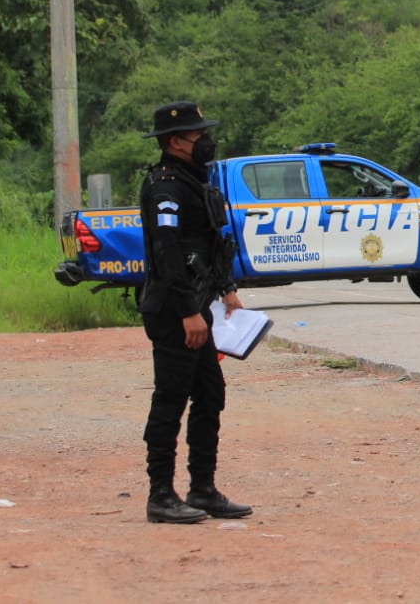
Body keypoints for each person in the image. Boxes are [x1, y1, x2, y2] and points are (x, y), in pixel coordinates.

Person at [138, 101, 251, 524]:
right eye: (197, 135)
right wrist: (189, 311)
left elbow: (205, 246)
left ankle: (202, 488)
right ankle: (160, 495)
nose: (205, 141)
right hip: (174, 309)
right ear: (174, 142)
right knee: (171, 398)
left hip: (196, 303)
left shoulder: (193, 180)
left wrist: (227, 290)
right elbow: (167, 251)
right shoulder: (165, 187)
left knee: (209, 393)